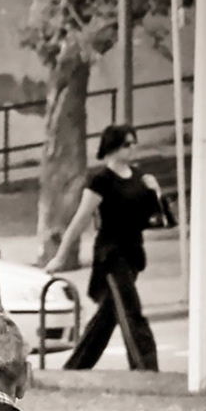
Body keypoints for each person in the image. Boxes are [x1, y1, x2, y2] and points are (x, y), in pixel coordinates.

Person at [52, 124, 163, 371]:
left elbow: (155, 218)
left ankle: (74, 368)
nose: (133, 148)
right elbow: (81, 219)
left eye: (134, 142)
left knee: (107, 316)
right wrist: (61, 256)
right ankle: (146, 368)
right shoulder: (101, 181)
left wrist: (155, 191)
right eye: (127, 144)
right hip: (111, 255)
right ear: (111, 148)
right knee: (131, 312)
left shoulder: (138, 177)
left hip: (134, 254)